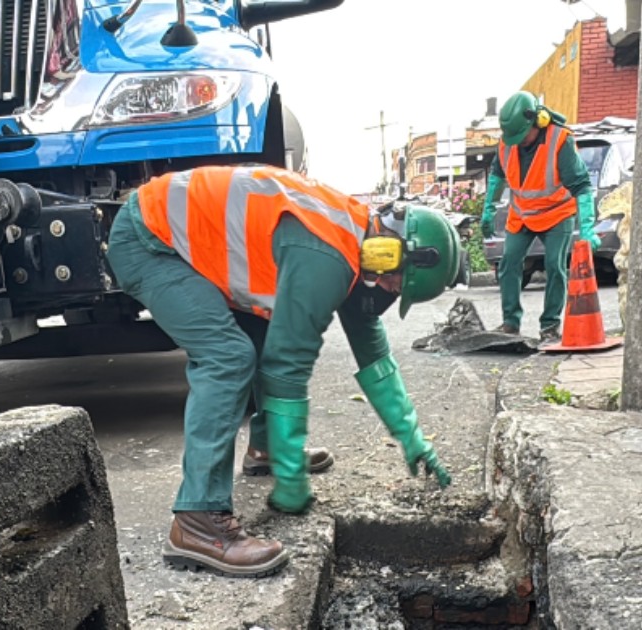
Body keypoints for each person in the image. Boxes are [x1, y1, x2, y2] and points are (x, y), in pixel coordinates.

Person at [105, 164, 456, 577]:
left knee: (262, 333)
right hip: (150, 240)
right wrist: (292, 480)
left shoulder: (355, 240)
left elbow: (372, 351)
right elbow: (287, 366)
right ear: (393, 251)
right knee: (227, 357)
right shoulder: (327, 254)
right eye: (398, 282)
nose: (390, 290)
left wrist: (412, 437)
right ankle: (197, 521)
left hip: (173, 235)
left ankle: (265, 449)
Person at [479, 91, 598, 342]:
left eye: (522, 136)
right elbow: (497, 176)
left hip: (557, 214)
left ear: (538, 122)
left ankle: (549, 326)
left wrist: (587, 226)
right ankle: (510, 323)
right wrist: (488, 209)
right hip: (522, 214)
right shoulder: (508, 142)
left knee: (555, 266)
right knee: (509, 263)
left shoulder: (560, 140)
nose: (518, 142)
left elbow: (581, 185)